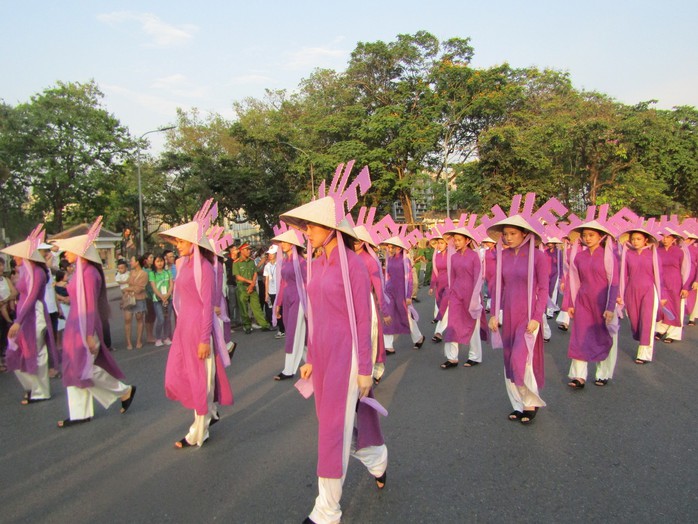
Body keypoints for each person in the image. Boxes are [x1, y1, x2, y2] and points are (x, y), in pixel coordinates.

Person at [281, 194, 387, 524]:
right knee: (336, 425)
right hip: (324, 357)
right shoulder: (317, 262)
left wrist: (366, 369)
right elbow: (316, 314)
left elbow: (364, 318)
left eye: (311, 225)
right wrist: (311, 355)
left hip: (348, 356)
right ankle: (377, 458)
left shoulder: (353, 264)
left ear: (330, 228)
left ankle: (326, 510)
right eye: (304, 226)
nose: (306, 231)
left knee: (331, 430)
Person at [160, 205, 234, 448]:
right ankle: (209, 413)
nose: (177, 245)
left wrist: (204, 339)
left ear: (193, 242)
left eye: (181, 241)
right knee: (177, 376)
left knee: (201, 380)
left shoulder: (204, 267)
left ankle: (197, 432)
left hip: (199, 331)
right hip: (183, 330)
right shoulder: (183, 264)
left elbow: (206, 306)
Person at [52, 218, 135, 427]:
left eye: (69, 250)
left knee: (85, 369)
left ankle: (123, 390)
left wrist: (89, 334)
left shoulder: (89, 274)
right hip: (74, 325)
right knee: (73, 369)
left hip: (84, 326)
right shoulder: (79, 271)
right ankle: (79, 412)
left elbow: (89, 306)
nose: (66, 255)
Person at [487, 215, 549, 425]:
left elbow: (543, 289)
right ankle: (517, 403)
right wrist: (494, 313)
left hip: (528, 315)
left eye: (513, 233)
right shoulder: (502, 256)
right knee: (508, 360)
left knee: (521, 359)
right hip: (509, 314)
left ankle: (530, 402)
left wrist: (537, 317)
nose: (508, 237)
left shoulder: (539, 257)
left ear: (525, 234)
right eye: (505, 234)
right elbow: (498, 287)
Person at [1, 226, 57, 404]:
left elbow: (32, 297)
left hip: (34, 315)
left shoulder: (38, 272)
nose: (14, 259)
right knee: (16, 349)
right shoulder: (25, 270)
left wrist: (18, 321)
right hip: (23, 314)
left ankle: (40, 391)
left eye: (17, 255)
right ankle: (32, 387)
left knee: (37, 352)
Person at [565, 221, 620, 388]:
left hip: (603, 301)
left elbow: (614, 282)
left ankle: (603, 373)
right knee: (579, 335)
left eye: (591, 235)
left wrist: (610, 307)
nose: (587, 238)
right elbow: (573, 281)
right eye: (584, 235)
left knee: (604, 336)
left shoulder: (608, 256)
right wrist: (570, 302)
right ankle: (578, 376)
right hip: (583, 300)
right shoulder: (579, 257)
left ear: (600, 237)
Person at [439, 227, 484, 369]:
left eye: (459, 240)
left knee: (473, 326)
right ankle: (452, 358)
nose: (456, 243)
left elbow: (478, 278)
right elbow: (452, 278)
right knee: (452, 324)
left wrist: (476, 298)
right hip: (456, 295)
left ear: (468, 240)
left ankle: (474, 356)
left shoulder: (474, 256)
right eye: (455, 240)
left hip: (472, 296)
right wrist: (450, 294)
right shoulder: (453, 257)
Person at [617, 227, 662, 364]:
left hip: (649, 290)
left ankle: (644, 353)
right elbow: (623, 275)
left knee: (647, 320)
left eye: (638, 239)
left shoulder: (652, 254)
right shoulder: (627, 254)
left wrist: (662, 296)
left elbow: (660, 276)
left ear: (646, 240)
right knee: (635, 322)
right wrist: (620, 294)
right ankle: (640, 339)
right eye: (633, 239)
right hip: (631, 290)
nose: (635, 242)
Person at [353, 224, 390, 384]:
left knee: (371, 337)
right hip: (352, 302)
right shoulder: (348, 258)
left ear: (362, 242)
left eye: (355, 241)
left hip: (367, 302)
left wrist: (385, 311)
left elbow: (379, 287)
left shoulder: (370, 260)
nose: (352, 244)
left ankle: (374, 370)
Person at [271, 228, 307, 380]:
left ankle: (289, 369)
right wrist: (277, 305)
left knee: (293, 332)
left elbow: (307, 284)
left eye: (286, 241)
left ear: (293, 243)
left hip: (299, 299)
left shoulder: (302, 262)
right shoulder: (284, 261)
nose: (282, 244)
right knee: (299, 333)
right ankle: (313, 363)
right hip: (287, 299)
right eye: (281, 242)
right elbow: (282, 283)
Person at [381, 236, 425, 354]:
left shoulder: (405, 260)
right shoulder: (389, 259)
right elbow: (387, 276)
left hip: (402, 292)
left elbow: (409, 279)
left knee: (407, 316)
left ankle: (419, 337)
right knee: (388, 315)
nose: (390, 249)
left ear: (399, 248)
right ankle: (388, 345)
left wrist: (408, 295)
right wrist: (384, 290)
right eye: (388, 247)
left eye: (393, 247)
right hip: (390, 292)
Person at [655, 229, 691, 343]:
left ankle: (673, 333)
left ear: (673, 239)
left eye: (668, 237)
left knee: (675, 306)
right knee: (660, 306)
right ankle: (660, 329)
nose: (665, 240)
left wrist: (685, 287)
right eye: (663, 237)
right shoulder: (657, 250)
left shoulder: (679, 252)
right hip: (660, 282)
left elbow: (686, 269)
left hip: (675, 282)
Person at [233, 243, 271, 334]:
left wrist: (252, 284)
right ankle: (247, 326)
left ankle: (264, 325)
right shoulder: (236, 263)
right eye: (247, 250)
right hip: (242, 288)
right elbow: (238, 277)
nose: (249, 251)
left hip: (252, 287)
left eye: (249, 249)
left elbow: (255, 273)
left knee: (257, 307)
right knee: (244, 308)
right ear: (242, 251)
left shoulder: (251, 261)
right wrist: (251, 282)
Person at [122, 255, 148, 350]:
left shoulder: (144, 274)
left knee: (139, 319)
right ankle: (128, 342)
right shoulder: (131, 272)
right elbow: (126, 282)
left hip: (139, 299)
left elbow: (139, 289)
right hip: (129, 299)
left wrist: (127, 288)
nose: (130, 262)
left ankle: (139, 341)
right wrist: (129, 289)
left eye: (132, 261)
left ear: (137, 262)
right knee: (127, 319)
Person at [428, 232, 449, 342]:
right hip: (440, 285)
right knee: (442, 307)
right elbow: (434, 271)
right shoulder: (436, 255)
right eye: (438, 243)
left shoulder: (452, 255)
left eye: (442, 243)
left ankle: (438, 332)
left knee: (445, 308)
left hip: (450, 285)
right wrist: (432, 286)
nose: (439, 245)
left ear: (447, 243)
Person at [0, 257, 19, 372]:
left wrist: (6, 300)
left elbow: (14, 292)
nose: (1, 267)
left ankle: (7, 358)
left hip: (7, 306)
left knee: (7, 336)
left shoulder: (5, 279)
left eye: (2, 265)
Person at [150, 254, 173, 346]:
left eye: (161, 261)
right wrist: (161, 296)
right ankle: (158, 338)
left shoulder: (167, 272)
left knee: (167, 319)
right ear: (154, 263)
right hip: (158, 300)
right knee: (161, 319)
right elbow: (154, 287)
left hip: (168, 299)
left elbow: (171, 284)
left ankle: (166, 337)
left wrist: (167, 295)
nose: (160, 263)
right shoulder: (152, 274)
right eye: (157, 261)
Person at [263, 245, 284, 334]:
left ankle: (283, 329)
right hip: (271, 291)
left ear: (276, 254)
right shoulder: (267, 265)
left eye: (272, 253)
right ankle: (281, 328)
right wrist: (266, 293)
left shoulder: (280, 263)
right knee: (274, 310)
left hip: (280, 290)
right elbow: (266, 280)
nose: (270, 255)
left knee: (280, 310)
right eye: (269, 253)